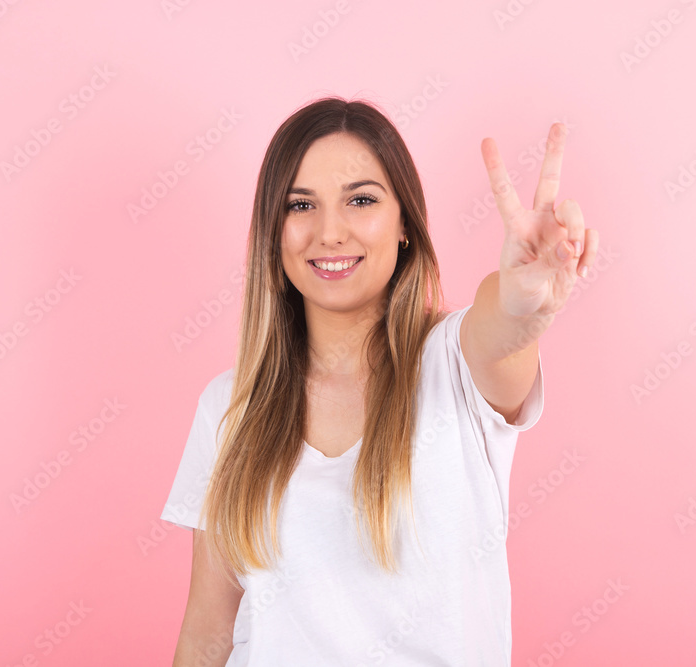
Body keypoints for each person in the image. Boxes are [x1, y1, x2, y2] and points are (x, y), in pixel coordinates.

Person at [160, 96, 599, 666]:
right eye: (300, 205)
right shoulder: (229, 406)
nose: (330, 232)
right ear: (273, 231)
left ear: (405, 225)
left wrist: (522, 299)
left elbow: (503, 327)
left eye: (361, 200)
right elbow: (207, 633)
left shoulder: (455, 364)